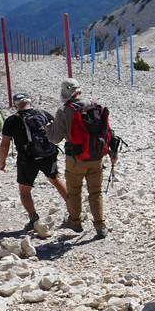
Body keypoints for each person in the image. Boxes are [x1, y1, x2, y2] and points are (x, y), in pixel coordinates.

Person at [46, 78, 117, 238]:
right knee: (96, 192)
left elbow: (55, 138)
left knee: (74, 191)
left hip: (75, 159)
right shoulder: (95, 106)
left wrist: (48, 128)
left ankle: (75, 222)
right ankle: (100, 226)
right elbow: (108, 132)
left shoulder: (64, 110)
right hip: (96, 156)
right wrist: (113, 152)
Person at [0, 93, 68, 231]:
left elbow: (5, 144)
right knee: (56, 180)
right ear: (31, 101)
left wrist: (2, 162)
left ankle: (33, 218)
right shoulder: (43, 113)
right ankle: (74, 211)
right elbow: (57, 131)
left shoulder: (12, 120)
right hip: (48, 154)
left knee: (24, 190)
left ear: (14, 105)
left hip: (26, 158)